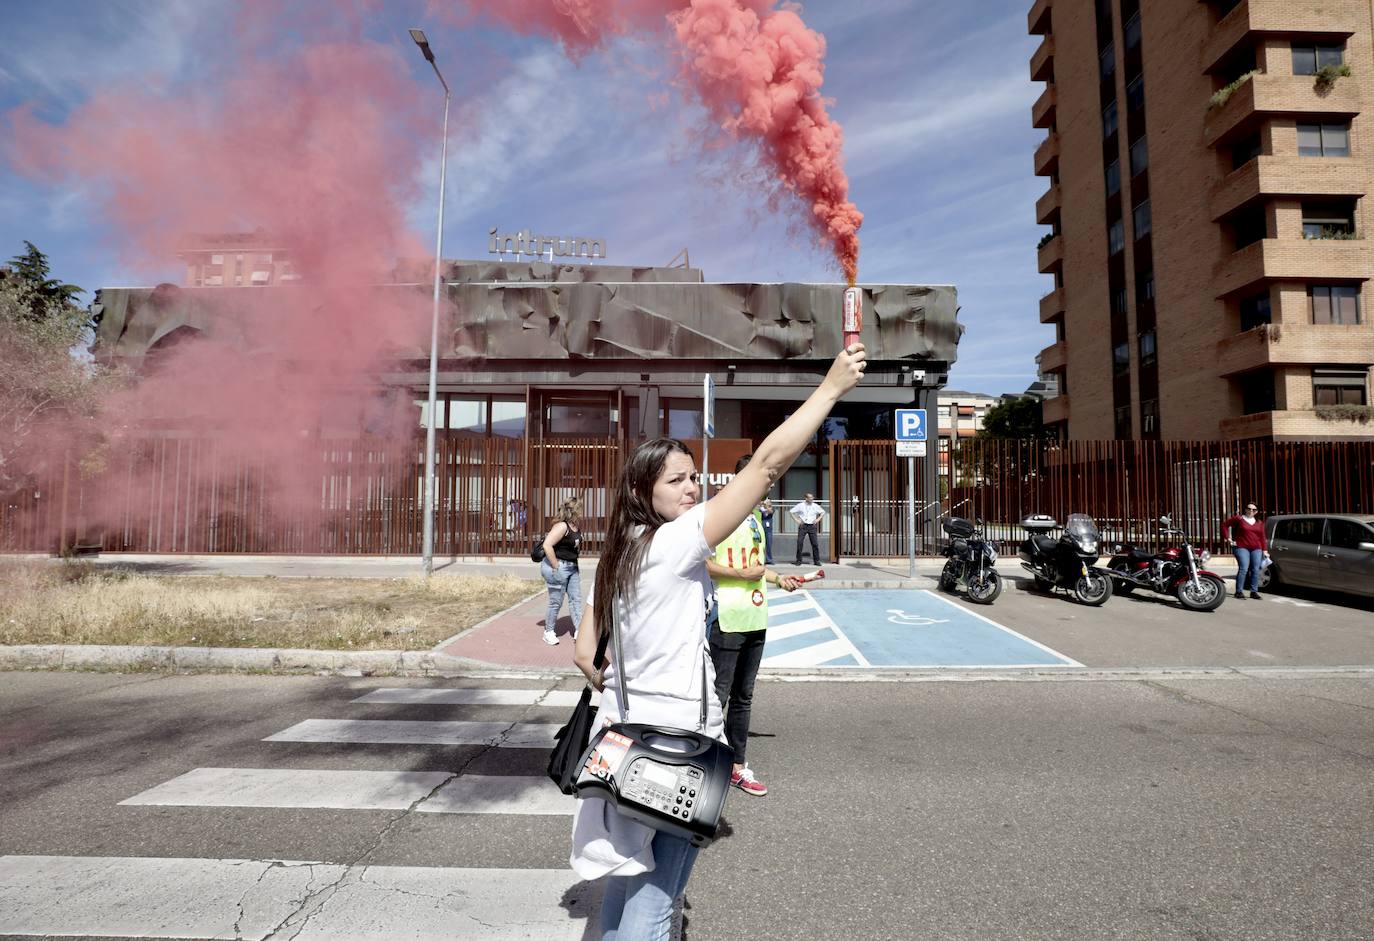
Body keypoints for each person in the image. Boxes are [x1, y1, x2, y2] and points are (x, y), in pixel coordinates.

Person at [571, 344, 867, 940]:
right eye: (676, 480)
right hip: (674, 741)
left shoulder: (626, 544)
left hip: (625, 734)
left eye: (693, 477)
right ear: (643, 492)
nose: (692, 488)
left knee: (628, 881)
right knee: (656, 903)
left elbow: (589, 634)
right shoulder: (674, 542)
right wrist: (831, 389)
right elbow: (764, 469)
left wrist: (586, 643)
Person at [706, 455, 799, 798]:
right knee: (718, 695)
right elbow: (701, 562)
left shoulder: (757, 516)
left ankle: (736, 766)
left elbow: (757, 567)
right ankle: (706, 764)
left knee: (743, 697)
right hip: (727, 617)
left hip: (756, 617)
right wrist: (738, 575)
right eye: (767, 480)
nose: (770, 487)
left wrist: (778, 578)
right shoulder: (719, 512)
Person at [540, 498, 583, 645]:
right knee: (556, 602)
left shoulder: (575, 526)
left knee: (575, 600)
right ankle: (549, 631)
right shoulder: (561, 526)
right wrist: (556, 566)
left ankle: (579, 630)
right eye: (580, 508)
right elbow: (547, 545)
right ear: (575, 510)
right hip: (559, 567)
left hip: (572, 568)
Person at [1222, 501, 1269, 600]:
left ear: (1256, 512)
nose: (1251, 511)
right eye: (1249, 508)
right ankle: (1239, 592)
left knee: (1256, 570)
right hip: (1241, 547)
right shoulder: (1239, 519)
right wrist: (1228, 538)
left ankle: (1254, 592)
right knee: (1244, 568)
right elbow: (1224, 525)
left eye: (1253, 509)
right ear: (1245, 509)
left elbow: (1262, 537)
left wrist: (1265, 550)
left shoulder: (1259, 522)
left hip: (1257, 548)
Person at [789, 492, 826, 566]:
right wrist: (797, 520)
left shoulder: (815, 506)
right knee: (800, 543)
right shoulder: (800, 505)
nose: (812, 499)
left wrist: (817, 520)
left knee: (815, 544)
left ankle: (817, 560)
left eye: (812, 497)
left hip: (812, 526)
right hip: (803, 526)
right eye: (810, 498)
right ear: (806, 498)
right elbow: (791, 511)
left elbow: (823, 512)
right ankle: (798, 560)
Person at [759, 497, 775, 564]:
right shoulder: (761, 509)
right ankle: (760, 559)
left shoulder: (771, 509)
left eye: (768, 502)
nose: (767, 503)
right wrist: (762, 504)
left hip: (769, 529)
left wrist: (767, 505)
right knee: (760, 545)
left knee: (769, 545)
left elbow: (770, 511)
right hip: (761, 528)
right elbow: (760, 510)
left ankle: (769, 560)